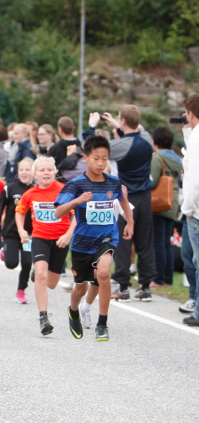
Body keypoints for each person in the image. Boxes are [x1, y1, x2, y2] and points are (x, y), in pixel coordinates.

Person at [55, 135, 133, 341]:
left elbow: (123, 200)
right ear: (85, 158)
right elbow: (58, 213)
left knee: (104, 274)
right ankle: (73, 311)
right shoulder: (75, 185)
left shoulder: (113, 183)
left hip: (107, 238)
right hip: (82, 242)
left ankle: (102, 323)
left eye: (104, 159)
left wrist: (130, 222)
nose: (100, 163)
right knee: (80, 288)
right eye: (96, 158)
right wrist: (77, 201)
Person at [85, 107, 155, 301]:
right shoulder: (147, 139)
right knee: (145, 241)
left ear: (123, 121)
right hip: (145, 196)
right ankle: (146, 285)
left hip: (126, 198)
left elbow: (90, 148)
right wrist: (119, 124)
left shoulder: (118, 146)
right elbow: (137, 132)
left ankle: (123, 285)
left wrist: (92, 126)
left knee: (124, 240)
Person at [16, 157, 75, 335]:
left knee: (51, 283)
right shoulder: (30, 194)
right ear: (35, 175)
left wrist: (68, 235)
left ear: (55, 172)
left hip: (60, 240)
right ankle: (43, 317)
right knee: (41, 274)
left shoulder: (64, 191)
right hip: (40, 238)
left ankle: (40, 271)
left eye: (49, 169)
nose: (46, 173)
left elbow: (77, 215)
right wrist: (21, 230)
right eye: (42, 170)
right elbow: (19, 211)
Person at [0, 157, 33, 304]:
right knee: (11, 264)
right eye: (21, 169)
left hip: (29, 233)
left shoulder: (35, 189)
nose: (24, 172)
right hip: (11, 231)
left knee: (28, 262)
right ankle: (6, 251)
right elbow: (0, 206)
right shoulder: (10, 188)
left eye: (27, 169)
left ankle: (21, 291)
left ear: (33, 172)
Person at [150, 126, 182, 289]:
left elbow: (152, 181)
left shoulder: (158, 158)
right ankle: (168, 278)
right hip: (172, 202)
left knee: (158, 241)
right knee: (166, 242)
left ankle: (158, 278)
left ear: (156, 141)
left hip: (159, 201)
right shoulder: (177, 159)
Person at [178, 93, 199, 327]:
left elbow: (193, 180)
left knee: (196, 260)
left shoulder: (195, 140)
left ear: (190, 114)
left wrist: (188, 208)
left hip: (197, 210)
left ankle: (198, 310)